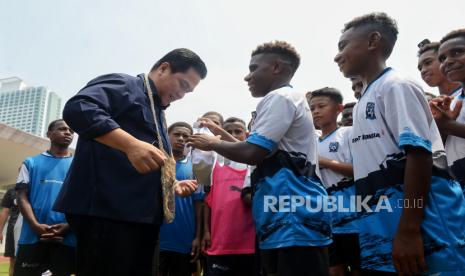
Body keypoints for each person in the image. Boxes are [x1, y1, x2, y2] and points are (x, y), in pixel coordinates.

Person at [53, 48, 205, 275]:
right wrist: (130, 145)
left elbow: (139, 164)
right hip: (108, 214)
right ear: (164, 68)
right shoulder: (126, 85)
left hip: (142, 219)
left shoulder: (159, 113)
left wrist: (171, 186)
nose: (182, 95)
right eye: (182, 85)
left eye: (188, 92)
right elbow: (78, 108)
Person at [334, 12, 465, 275]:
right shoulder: (364, 100)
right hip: (383, 229)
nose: (337, 56)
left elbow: (419, 156)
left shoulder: (396, 86)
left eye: (343, 46)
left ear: (373, 41)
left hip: (424, 227)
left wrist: (408, 230)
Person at [188, 41, 331, 276]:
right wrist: (220, 135)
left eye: (254, 68)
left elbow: (252, 153)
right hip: (281, 218)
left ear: (276, 67)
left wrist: (212, 143)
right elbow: (256, 153)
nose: (247, 76)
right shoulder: (286, 99)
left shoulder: (280, 98)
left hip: (293, 218)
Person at [14, 119, 76, 276]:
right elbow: (22, 197)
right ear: (49, 134)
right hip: (32, 237)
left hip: (66, 239)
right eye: (62, 129)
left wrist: (68, 226)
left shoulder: (80, 166)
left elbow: (85, 201)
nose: (68, 132)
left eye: (71, 130)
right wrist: (36, 226)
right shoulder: (30, 163)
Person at [309, 88, 359, 276]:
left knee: (357, 268)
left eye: (321, 106)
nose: (316, 111)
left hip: (353, 218)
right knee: (333, 270)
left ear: (339, 108)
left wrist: (325, 162)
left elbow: (359, 171)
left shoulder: (348, 133)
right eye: (312, 108)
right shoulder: (310, 141)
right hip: (325, 220)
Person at [200, 117, 256, 276]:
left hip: (251, 244)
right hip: (220, 244)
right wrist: (206, 232)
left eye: (237, 132)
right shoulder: (214, 167)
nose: (233, 135)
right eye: (228, 131)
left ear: (246, 134)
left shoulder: (254, 165)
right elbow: (207, 203)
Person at [158, 122, 204, 276]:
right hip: (155, 239)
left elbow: (199, 204)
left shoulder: (195, 167)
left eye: (186, 136)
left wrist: (197, 236)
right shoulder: (156, 162)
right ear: (167, 135)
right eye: (177, 134)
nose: (181, 139)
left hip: (184, 239)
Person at [431, 29, 465, 188]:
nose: (447, 62)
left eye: (457, 52)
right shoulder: (453, 102)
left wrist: (449, 126)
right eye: (442, 58)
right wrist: (440, 126)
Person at [0, 188, 20, 276]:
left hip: (31, 229)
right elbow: (5, 211)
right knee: (13, 263)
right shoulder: (11, 192)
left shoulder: (36, 187)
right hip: (13, 229)